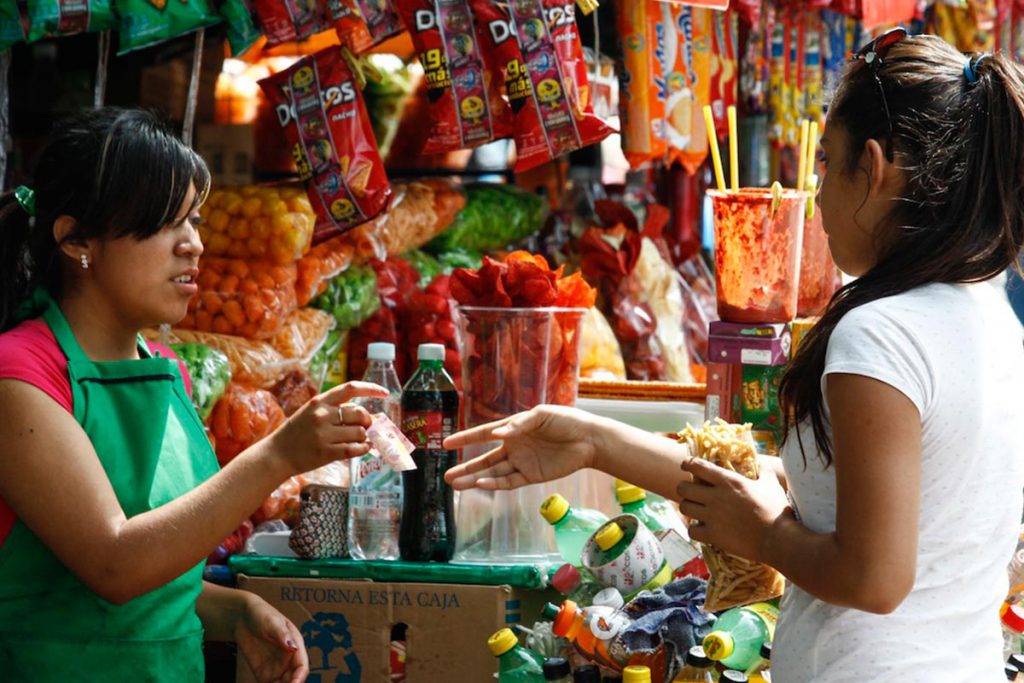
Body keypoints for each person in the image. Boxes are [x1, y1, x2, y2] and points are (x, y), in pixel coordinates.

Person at [445, 32, 1024, 681]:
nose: (816, 195)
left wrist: (766, 538)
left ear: (876, 165)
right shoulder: (987, 314)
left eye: (826, 165)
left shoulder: (883, 333)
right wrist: (592, 440)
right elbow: (811, 490)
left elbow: (873, 577)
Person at [0, 108, 386, 682]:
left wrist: (237, 610)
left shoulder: (169, 372)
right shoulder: (20, 373)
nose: (194, 246)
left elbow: (160, 578)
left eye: (196, 221)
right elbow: (113, 563)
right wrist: (278, 455)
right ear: (77, 241)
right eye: (165, 224)